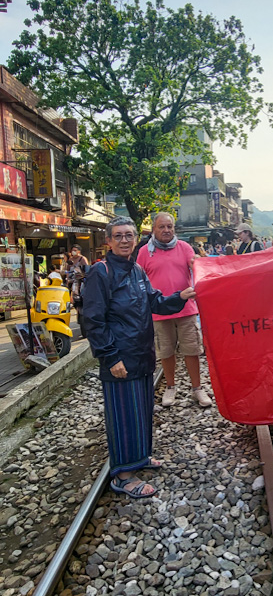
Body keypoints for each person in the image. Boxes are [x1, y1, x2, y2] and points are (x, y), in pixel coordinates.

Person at [82, 216, 195, 498]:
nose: (125, 240)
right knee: (123, 416)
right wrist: (110, 357)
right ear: (108, 241)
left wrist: (181, 296)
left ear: (136, 239)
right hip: (120, 357)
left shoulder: (137, 270)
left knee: (141, 411)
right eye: (118, 236)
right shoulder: (100, 272)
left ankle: (140, 457)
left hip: (142, 354)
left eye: (129, 235)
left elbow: (155, 301)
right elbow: (93, 320)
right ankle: (123, 476)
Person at [136, 212, 212, 408]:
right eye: (161, 227)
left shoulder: (184, 247)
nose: (166, 230)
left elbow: (196, 267)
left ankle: (197, 388)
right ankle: (170, 386)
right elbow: (138, 279)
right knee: (165, 351)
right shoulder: (144, 252)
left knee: (192, 349)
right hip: (159, 311)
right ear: (154, 229)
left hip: (186, 308)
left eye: (169, 226)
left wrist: (199, 263)